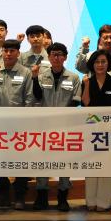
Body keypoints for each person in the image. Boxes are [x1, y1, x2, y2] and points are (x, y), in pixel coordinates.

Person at [31, 42, 80, 211]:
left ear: (65, 57)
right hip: (44, 127)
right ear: (49, 57)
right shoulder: (41, 76)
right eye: (53, 54)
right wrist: (34, 78)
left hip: (65, 127)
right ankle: (41, 197)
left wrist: (62, 115)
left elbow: (76, 100)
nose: (57, 57)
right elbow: (37, 97)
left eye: (60, 54)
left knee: (64, 161)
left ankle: (62, 198)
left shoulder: (74, 77)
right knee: (43, 161)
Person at [0, 39, 34, 210]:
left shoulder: (25, 72)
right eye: (5, 51)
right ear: (2, 52)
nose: (8, 54)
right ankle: (2, 195)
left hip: (18, 125)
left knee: (20, 161)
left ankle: (20, 196)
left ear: (18, 53)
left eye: (12, 51)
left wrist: (25, 121)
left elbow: (29, 98)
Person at [81, 49, 111, 212]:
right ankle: (91, 201)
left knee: (107, 166)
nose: (100, 65)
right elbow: (85, 104)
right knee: (91, 165)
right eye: (97, 62)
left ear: (108, 64)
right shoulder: (87, 82)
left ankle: (104, 202)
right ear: (92, 64)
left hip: (110, 131)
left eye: (103, 62)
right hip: (91, 130)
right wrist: (87, 85)